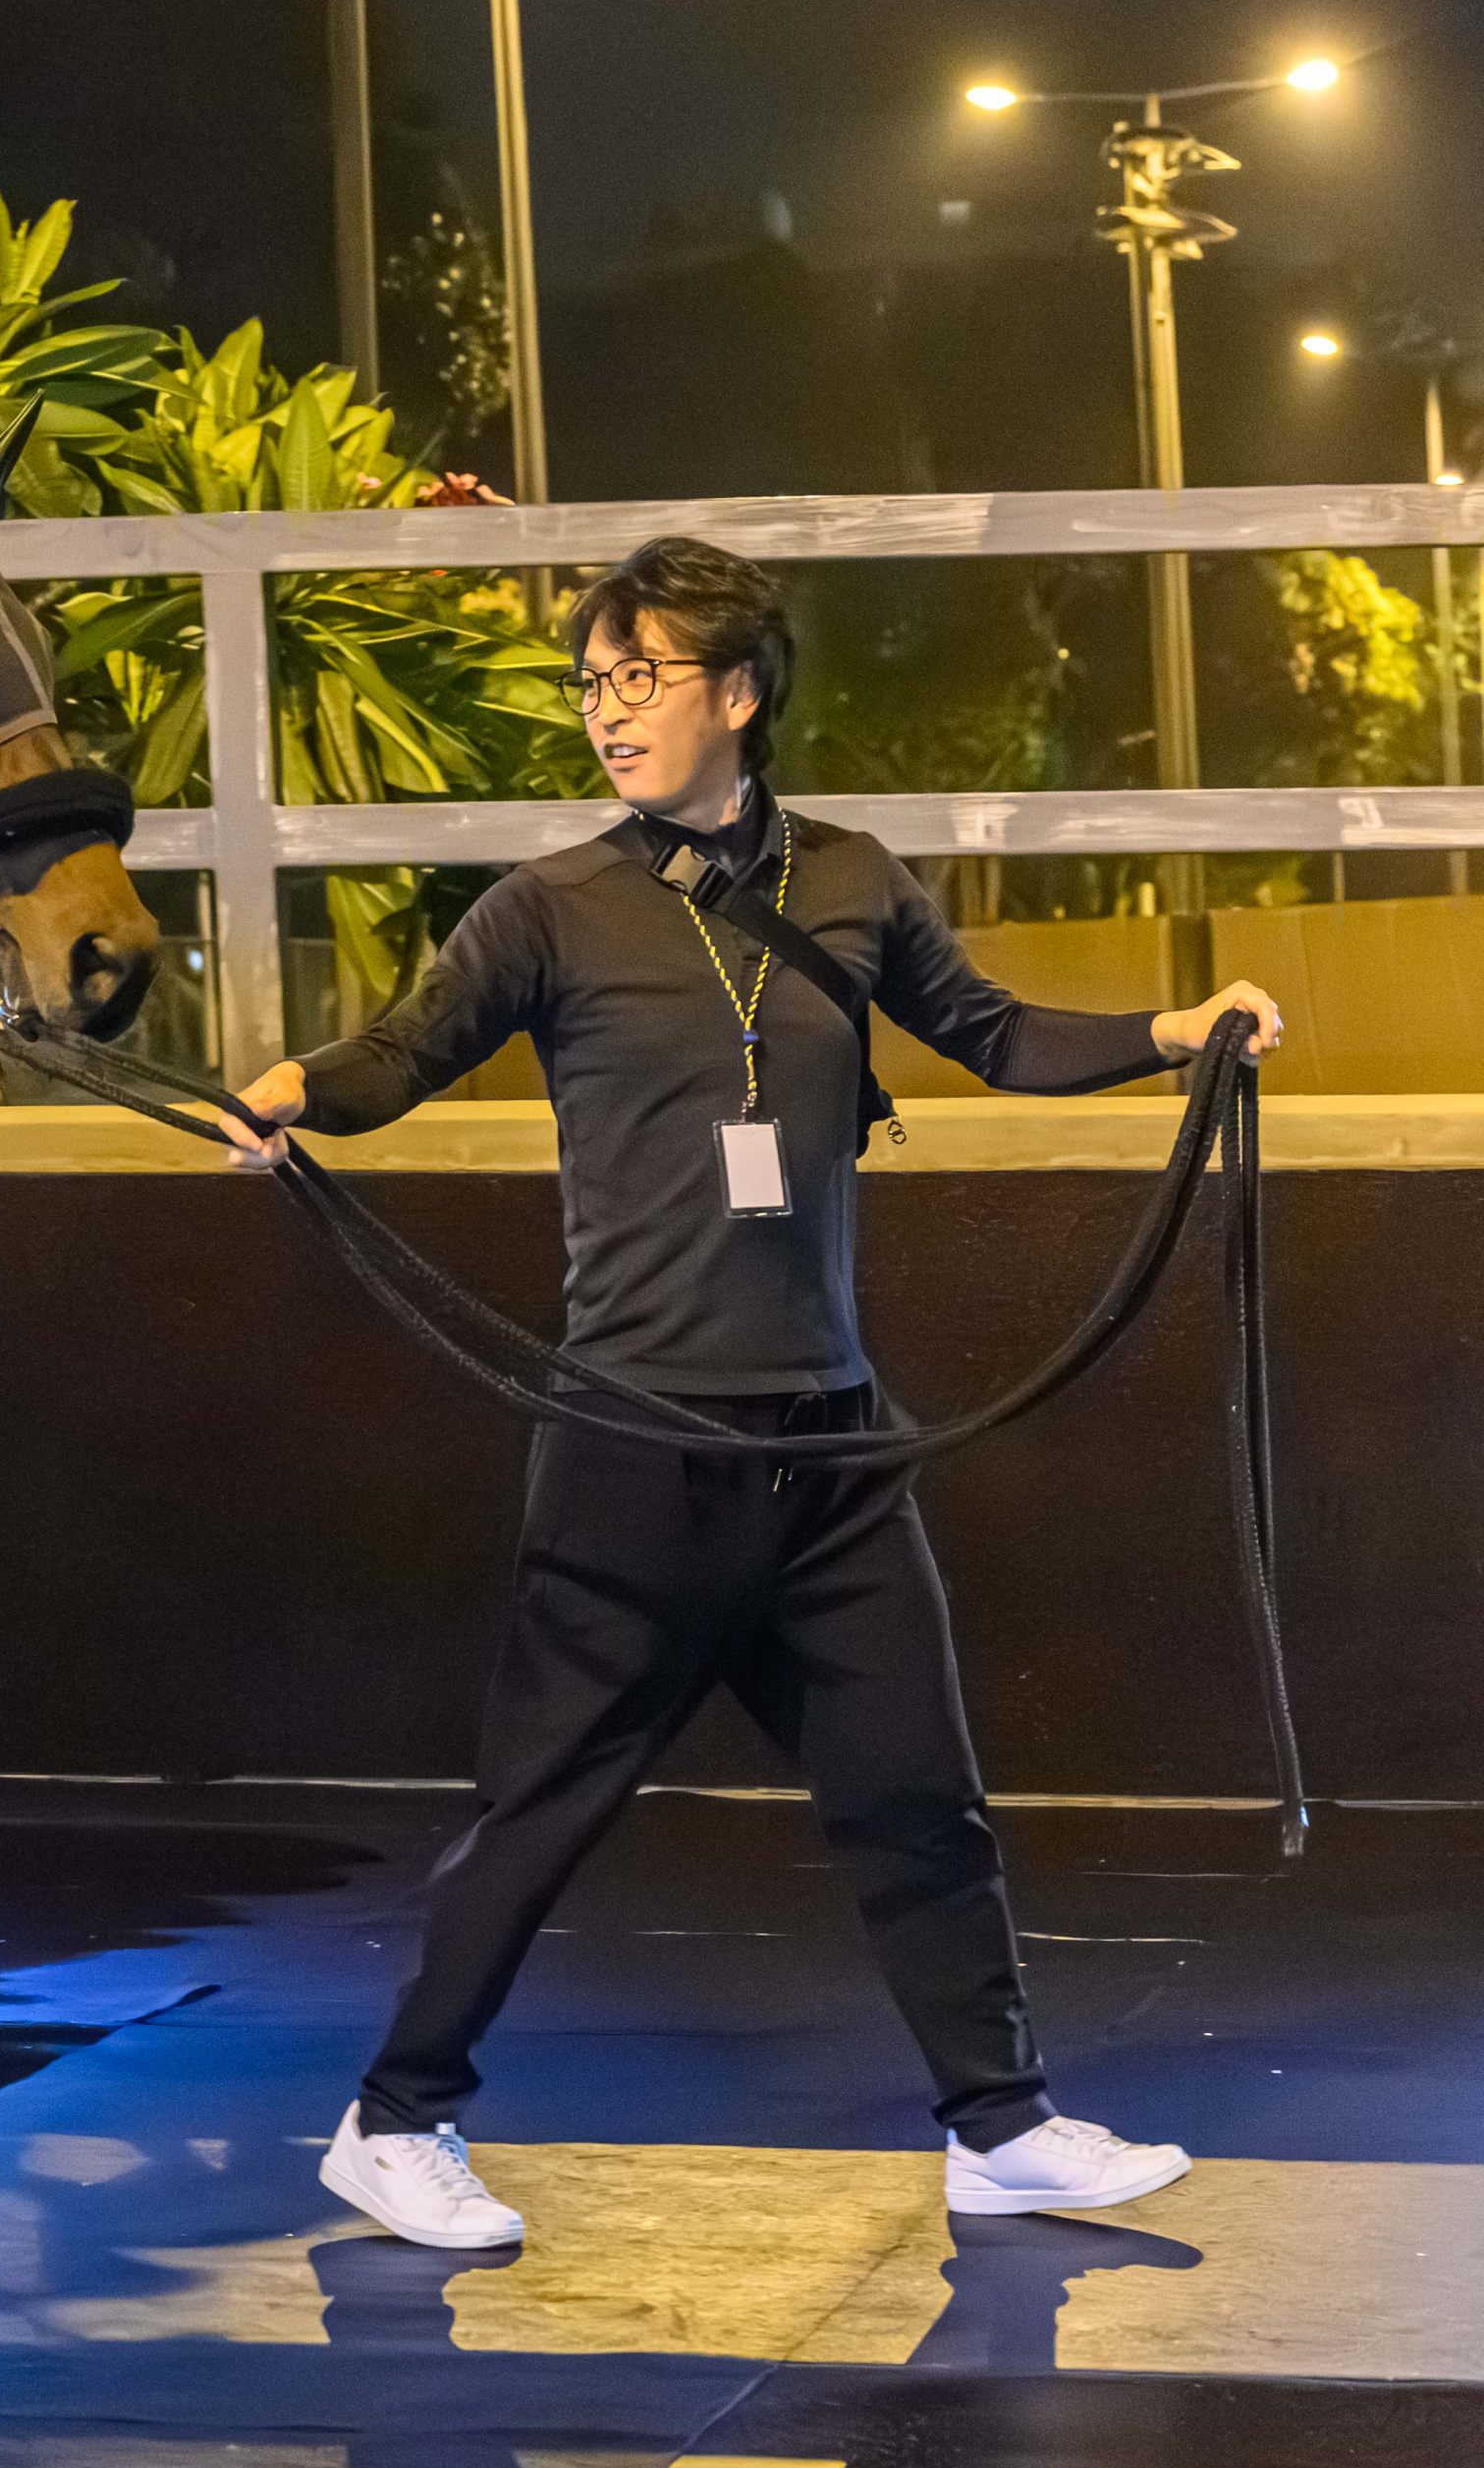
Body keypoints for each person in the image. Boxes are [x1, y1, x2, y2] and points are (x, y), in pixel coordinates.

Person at [216, 534, 1284, 2251]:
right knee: (543, 1809)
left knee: (917, 1795)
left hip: (831, 1444)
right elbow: (407, 1046)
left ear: (736, 690)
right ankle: (392, 2122)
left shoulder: (849, 881)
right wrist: (285, 1089)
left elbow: (992, 1034)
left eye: (639, 675)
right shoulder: (549, 906)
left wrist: (1174, 1031)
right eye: (592, 681)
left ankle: (1000, 2126)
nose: (607, 708)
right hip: (638, 1439)